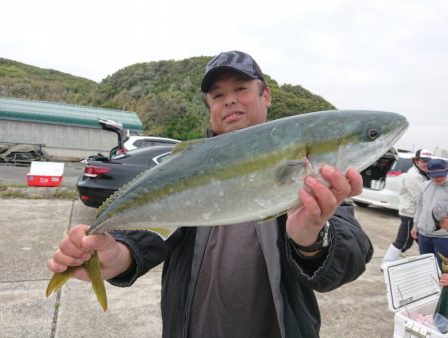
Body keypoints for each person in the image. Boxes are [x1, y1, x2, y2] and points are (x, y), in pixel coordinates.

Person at [47, 50, 373, 338]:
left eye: (241, 89)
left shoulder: (317, 177)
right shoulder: (189, 167)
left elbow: (352, 254)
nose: (229, 99)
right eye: (217, 96)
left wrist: (313, 239)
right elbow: (148, 236)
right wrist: (116, 255)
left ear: (266, 96)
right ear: (210, 108)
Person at [381, 149, 433, 270]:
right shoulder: (413, 176)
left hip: (421, 214)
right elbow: (421, 197)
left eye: (428, 161)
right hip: (411, 214)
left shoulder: (425, 173)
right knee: (403, 241)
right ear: (416, 160)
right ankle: (386, 263)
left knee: (424, 241)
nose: (426, 163)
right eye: (423, 161)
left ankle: (431, 264)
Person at [411, 159, 448, 269]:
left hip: (443, 238)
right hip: (423, 236)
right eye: (434, 175)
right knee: (426, 268)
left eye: (440, 175)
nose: (438, 178)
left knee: (443, 270)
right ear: (429, 173)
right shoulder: (425, 185)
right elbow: (420, 207)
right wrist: (415, 225)